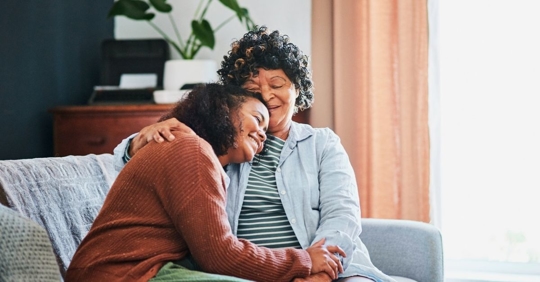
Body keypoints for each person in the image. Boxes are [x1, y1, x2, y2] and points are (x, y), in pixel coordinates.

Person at [114, 27, 396, 282]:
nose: (266, 95)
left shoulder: (322, 143)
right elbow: (143, 158)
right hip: (249, 272)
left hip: (332, 269)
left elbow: (343, 216)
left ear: (297, 89)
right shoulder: (218, 139)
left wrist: (318, 271)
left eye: (277, 84)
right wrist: (139, 140)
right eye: (252, 89)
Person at [66, 83, 346, 282]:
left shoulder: (198, 153)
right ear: (223, 110)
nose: (262, 135)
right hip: (123, 274)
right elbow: (219, 255)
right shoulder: (191, 150)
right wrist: (304, 260)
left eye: (265, 130)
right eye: (257, 120)